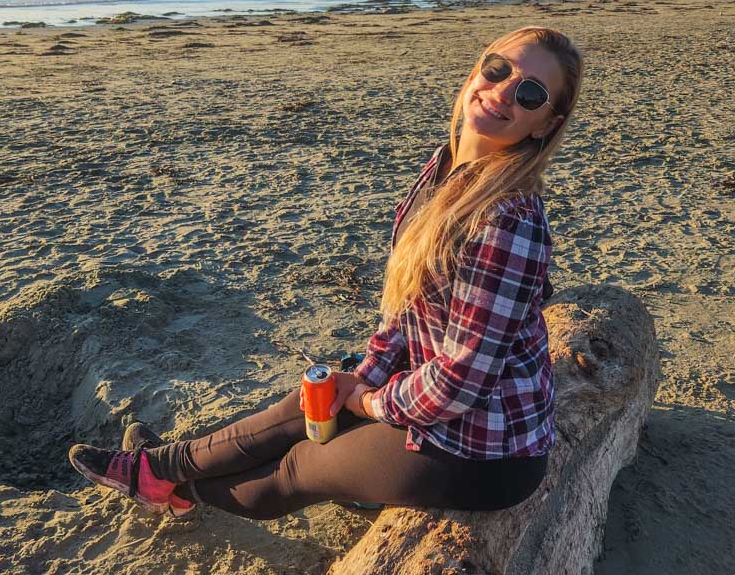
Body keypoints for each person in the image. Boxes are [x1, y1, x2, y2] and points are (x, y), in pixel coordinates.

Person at [69, 26, 584, 521]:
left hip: (483, 453)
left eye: (531, 93)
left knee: (297, 469)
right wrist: (363, 377)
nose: (502, 91)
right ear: (476, 72)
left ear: (544, 122)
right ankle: (158, 468)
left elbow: (460, 382)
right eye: (496, 69)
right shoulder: (446, 168)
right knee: (305, 408)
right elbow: (404, 313)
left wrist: (372, 401)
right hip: (437, 405)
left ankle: (174, 486)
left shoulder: (508, 219)